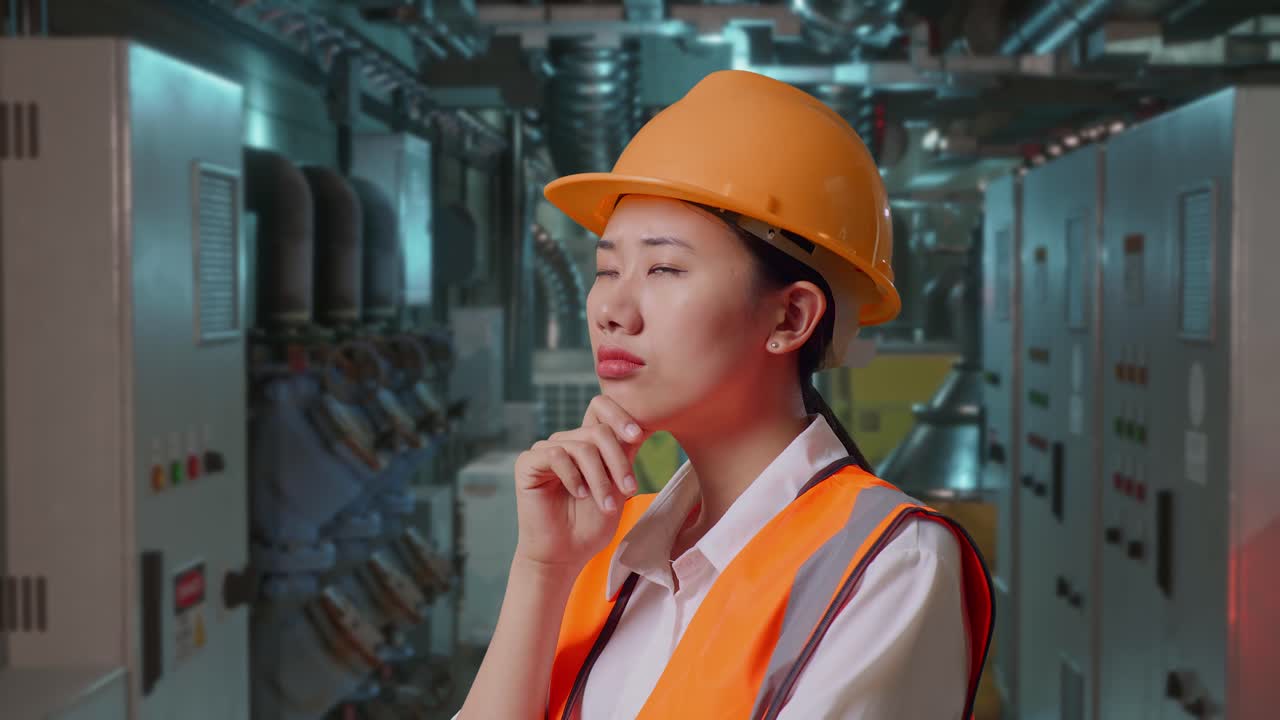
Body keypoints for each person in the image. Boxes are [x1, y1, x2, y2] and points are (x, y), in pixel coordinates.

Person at [455, 69, 994, 719]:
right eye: (605, 270)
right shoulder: (610, 541)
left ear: (789, 319)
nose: (611, 311)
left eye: (664, 268)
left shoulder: (887, 564)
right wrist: (542, 567)